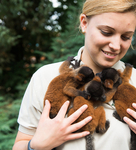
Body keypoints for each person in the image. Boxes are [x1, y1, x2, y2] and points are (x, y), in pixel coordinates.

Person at [13, 0, 136, 150]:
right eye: (106, 32)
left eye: (126, 37)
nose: (116, 46)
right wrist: (36, 146)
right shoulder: (45, 78)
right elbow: (20, 143)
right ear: (84, 23)